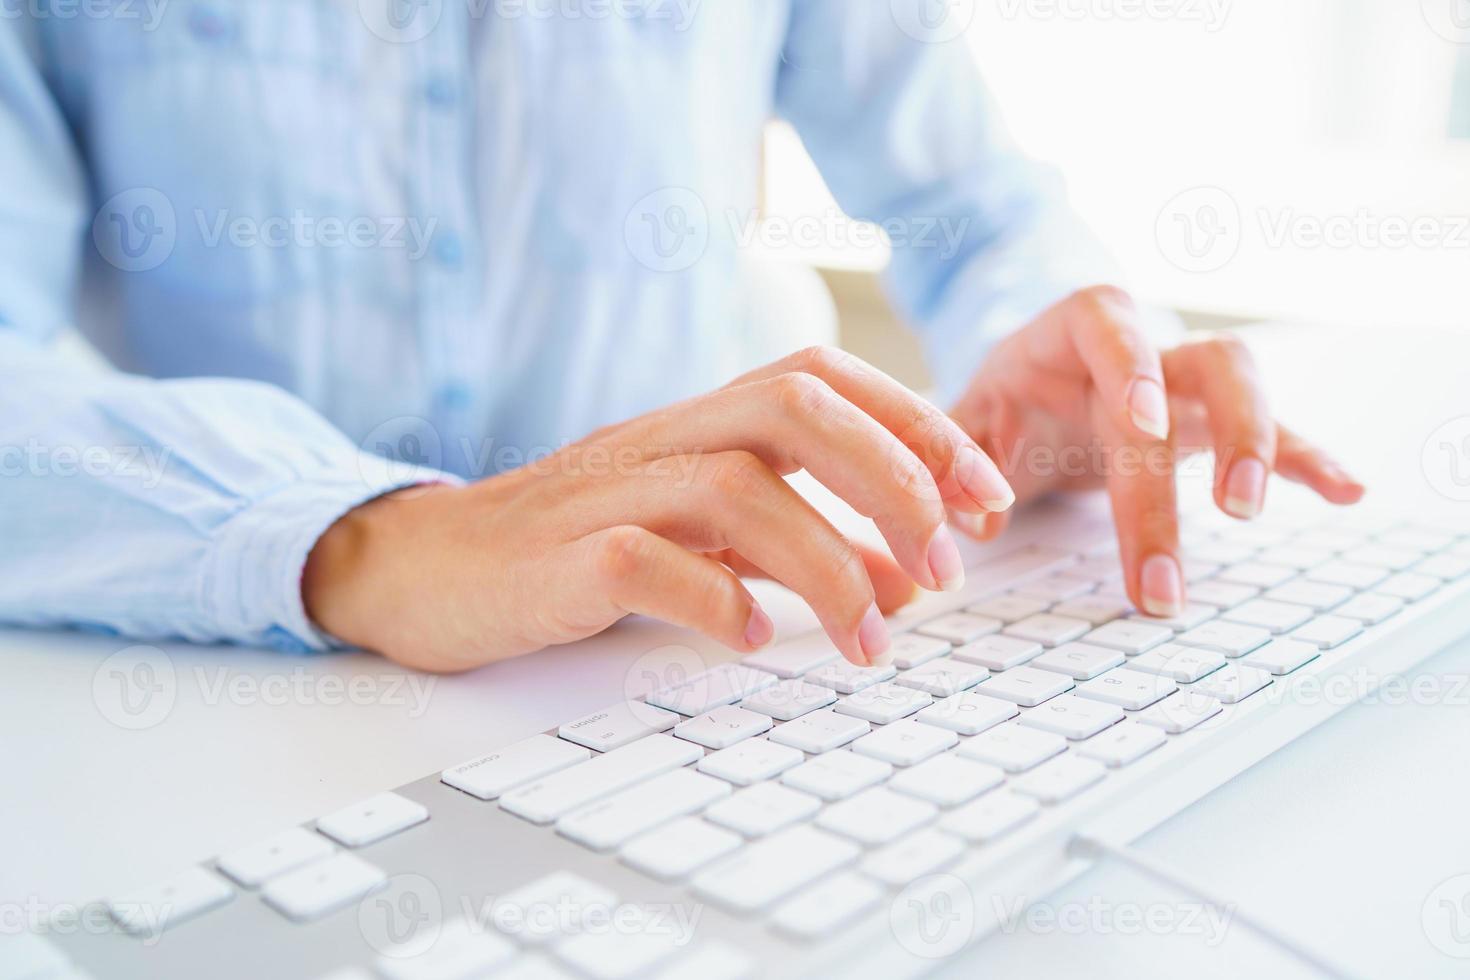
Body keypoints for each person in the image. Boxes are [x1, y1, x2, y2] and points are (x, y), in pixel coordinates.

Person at [0, 3, 1362, 673]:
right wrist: (363, 534)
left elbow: (969, 205)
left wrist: (1033, 368)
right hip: (228, 682)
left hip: (686, 680)